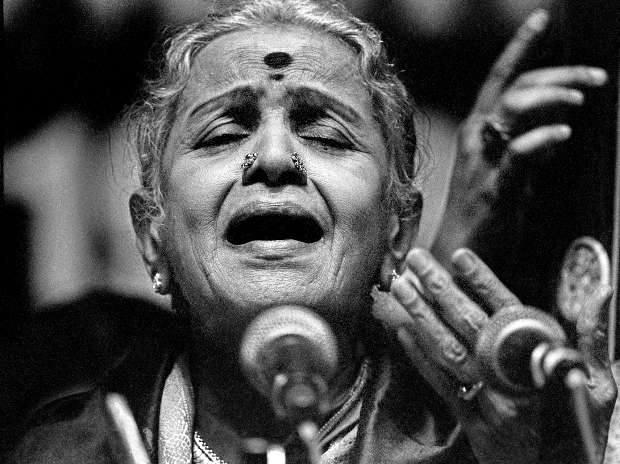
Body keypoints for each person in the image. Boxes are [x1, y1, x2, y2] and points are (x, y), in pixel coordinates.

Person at [5, 1, 616, 463]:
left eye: (325, 135)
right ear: (149, 237)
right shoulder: (62, 451)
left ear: (398, 234)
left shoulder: (497, 444)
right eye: (222, 134)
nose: (274, 157)